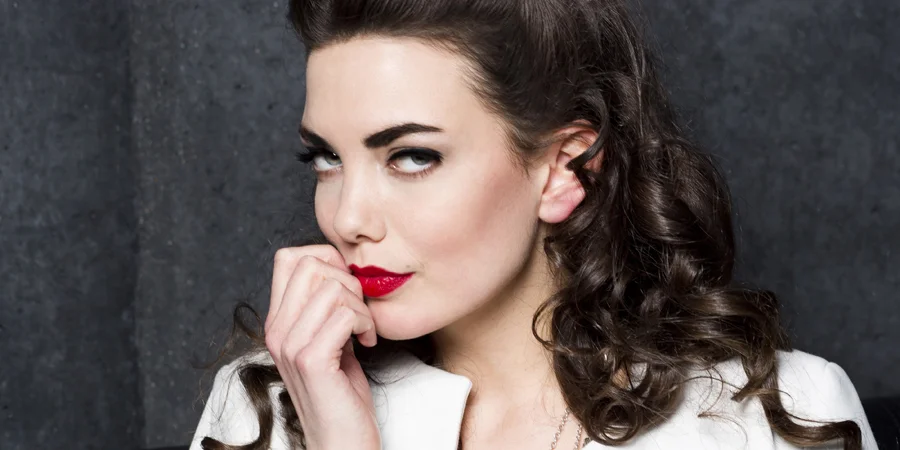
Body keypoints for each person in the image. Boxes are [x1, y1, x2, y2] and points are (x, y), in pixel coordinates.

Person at [188, 0, 877, 449]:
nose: (347, 218)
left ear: (564, 169)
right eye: (327, 158)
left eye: (412, 156)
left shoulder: (777, 417)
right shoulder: (266, 408)